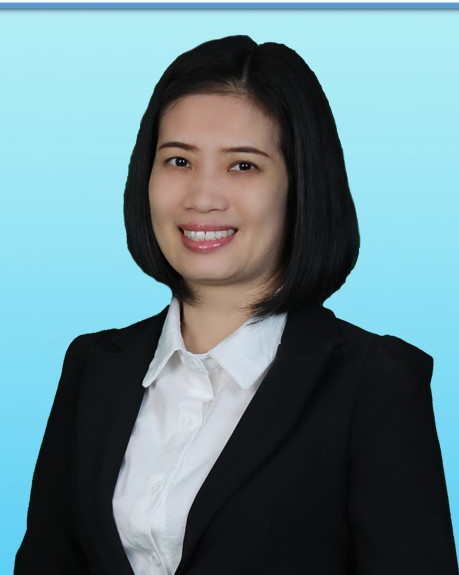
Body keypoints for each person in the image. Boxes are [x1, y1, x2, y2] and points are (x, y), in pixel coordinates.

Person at [15, 35, 458, 575]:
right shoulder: (94, 367)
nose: (201, 197)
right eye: (178, 160)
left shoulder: (374, 383)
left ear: (301, 185)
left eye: (243, 166)